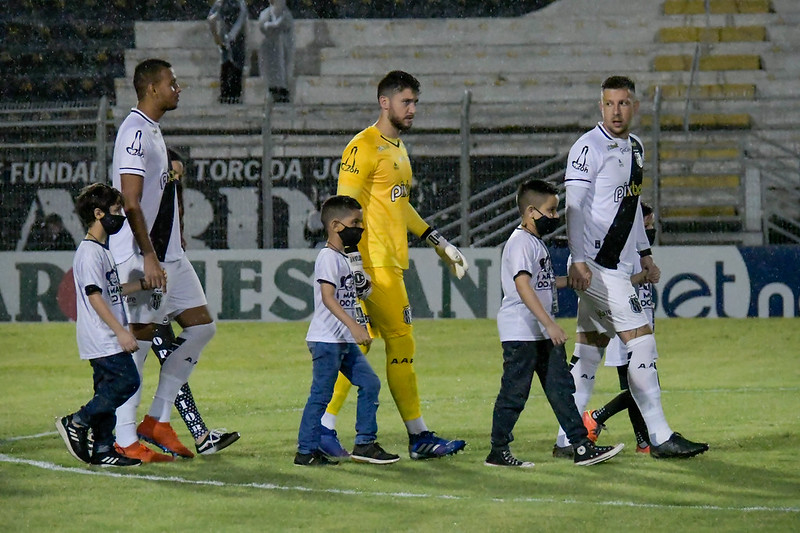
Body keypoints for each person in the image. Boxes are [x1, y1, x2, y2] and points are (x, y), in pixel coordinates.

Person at [554, 75, 708, 459]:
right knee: (642, 341)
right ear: (600, 106)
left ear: (634, 106)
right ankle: (659, 436)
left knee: (589, 350)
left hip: (620, 266)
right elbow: (573, 208)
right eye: (609, 104)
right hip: (596, 267)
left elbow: (632, 206)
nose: (616, 111)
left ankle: (566, 437)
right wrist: (577, 259)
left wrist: (644, 251)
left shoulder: (636, 148)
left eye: (623, 103)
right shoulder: (587, 148)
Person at [320, 70, 469, 461]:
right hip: (373, 264)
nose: (413, 109)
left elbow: (399, 206)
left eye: (415, 102)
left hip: (387, 262)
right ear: (384, 102)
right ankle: (417, 435)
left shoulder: (397, 148)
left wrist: (437, 241)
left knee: (357, 348)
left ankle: (323, 428)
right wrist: (353, 265)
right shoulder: (363, 147)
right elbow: (343, 211)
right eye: (406, 102)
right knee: (399, 342)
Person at [110, 58, 218, 462]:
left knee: (202, 327)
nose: (178, 88)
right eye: (172, 83)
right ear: (152, 88)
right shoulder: (135, 131)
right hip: (142, 258)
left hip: (170, 255)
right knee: (137, 341)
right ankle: (124, 437)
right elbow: (131, 201)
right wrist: (150, 257)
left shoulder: (153, 130)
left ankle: (157, 419)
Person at [485, 179, 624, 467]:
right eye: (551, 211)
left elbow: (540, 283)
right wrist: (549, 324)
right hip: (523, 332)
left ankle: (581, 446)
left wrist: (570, 283)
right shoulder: (520, 243)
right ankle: (497, 451)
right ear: (531, 211)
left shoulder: (533, 242)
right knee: (514, 394)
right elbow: (523, 286)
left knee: (562, 390)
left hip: (538, 333)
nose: (555, 217)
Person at [144, 149, 241, 456]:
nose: (175, 179)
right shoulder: (147, 196)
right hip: (149, 273)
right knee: (141, 356)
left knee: (190, 340)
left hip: (173, 266)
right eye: (171, 173)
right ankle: (99, 425)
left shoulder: (172, 200)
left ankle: (188, 432)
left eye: (179, 175)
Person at [295, 195, 400, 466]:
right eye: (355, 222)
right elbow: (328, 297)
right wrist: (354, 326)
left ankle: (365, 443)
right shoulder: (327, 257)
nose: (360, 228)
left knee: (370, 383)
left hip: (340, 339)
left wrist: (360, 274)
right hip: (327, 339)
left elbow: (362, 292)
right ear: (335, 225)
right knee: (321, 395)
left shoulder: (346, 257)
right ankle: (305, 451)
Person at [55, 183, 151, 467]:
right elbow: (94, 296)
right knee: (128, 381)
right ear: (98, 214)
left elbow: (110, 291)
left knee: (106, 391)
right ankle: (77, 421)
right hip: (103, 337)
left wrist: (142, 285)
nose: (119, 215)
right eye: (115, 210)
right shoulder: (89, 252)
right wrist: (121, 331)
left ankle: (103, 448)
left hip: (103, 336)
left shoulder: (100, 250)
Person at [582, 202, 656, 454]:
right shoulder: (624, 255)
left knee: (639, 387)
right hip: (626, 330)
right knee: (641, 387)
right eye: (647, 226)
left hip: (637, 326)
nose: (650, 230)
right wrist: (643, 276)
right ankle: (596, 417)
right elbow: (615, 285)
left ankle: (643, 441)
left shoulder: (639, 255)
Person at [208, 0, 248, 104]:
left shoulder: (240, 3)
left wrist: (233, 34)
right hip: (225, 37)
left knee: (237, 64)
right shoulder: (220, 3)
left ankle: (235, 93)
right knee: (226, 64)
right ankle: (225, 92)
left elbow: (241, 18)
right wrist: (217, 37)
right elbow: (211, 18)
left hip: (237, 38)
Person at [257, 0, 294, 103]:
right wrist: (269, 25)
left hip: (283, 48)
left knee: (282, 69)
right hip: (270, 48)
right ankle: (273, 89)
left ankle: (282, 91)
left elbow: (281, 24)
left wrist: (271, 25)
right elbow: (262, 25)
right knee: (271, 69)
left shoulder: (286, 14)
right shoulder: (266, 13)